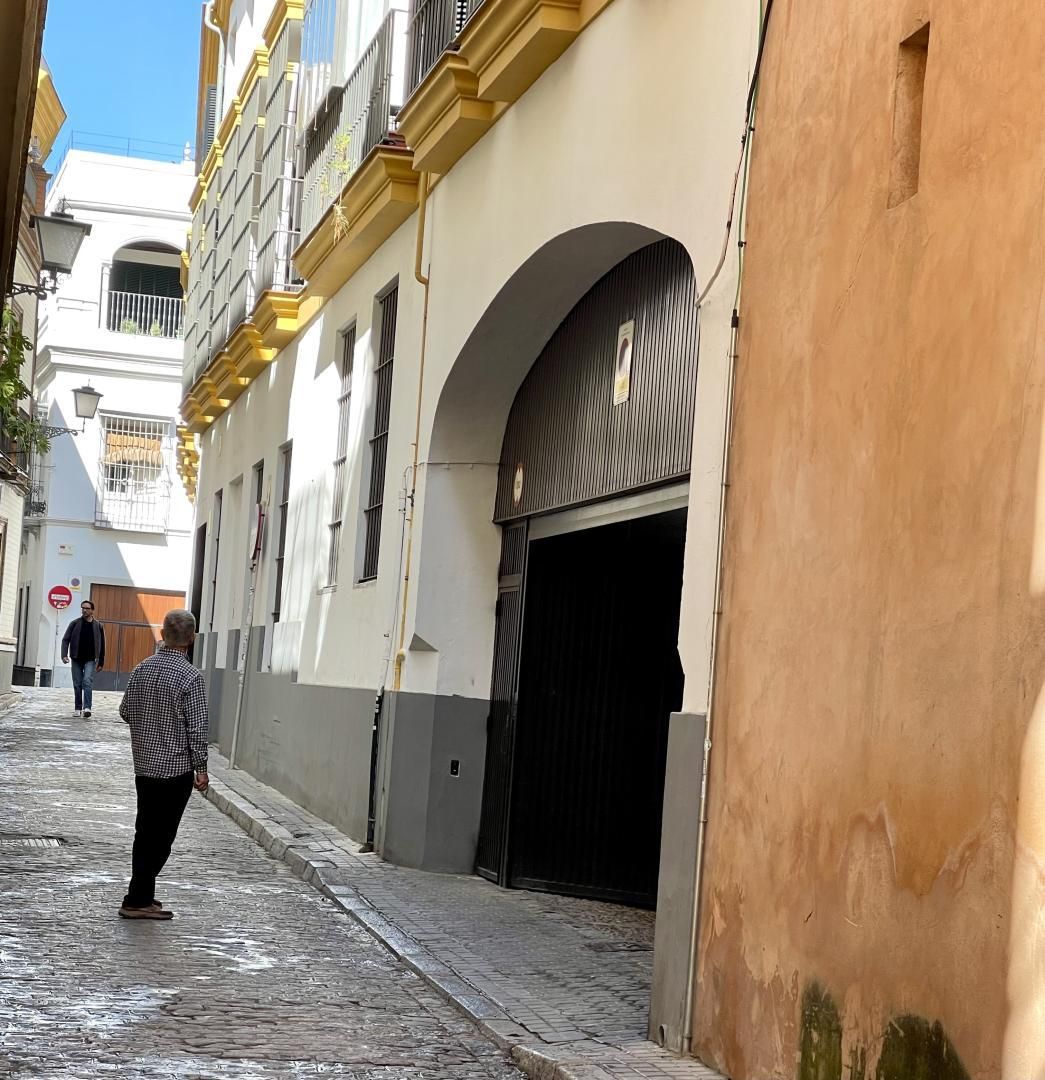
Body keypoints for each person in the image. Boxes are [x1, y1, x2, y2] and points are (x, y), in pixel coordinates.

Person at [117, 609, 209, 921]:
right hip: (175, 769)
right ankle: (136, 899)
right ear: (192, 638)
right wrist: (201, 768)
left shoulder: (141, 669)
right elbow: (197, 727)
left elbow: (126, 710)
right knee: (161, 837)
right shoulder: (191, 677)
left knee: (145, 831)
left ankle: (143, 894)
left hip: (144, 766)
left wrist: (148, 731)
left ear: (162, 634)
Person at [61, 600, 105, 718]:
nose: (84, 610)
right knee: (77, 684)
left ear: (92, 610)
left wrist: (101, 661)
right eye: (83, 608)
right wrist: (64, 655)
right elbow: (66, 640)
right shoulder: (74, 623)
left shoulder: (98, 626)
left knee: (87, 681)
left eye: (87, 608)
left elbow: (102, 644)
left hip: (90, 659)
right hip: (76, 658)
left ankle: (87, 707)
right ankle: (77, 708)